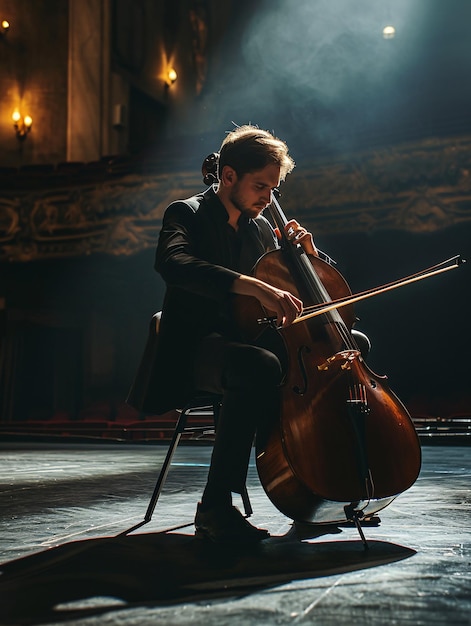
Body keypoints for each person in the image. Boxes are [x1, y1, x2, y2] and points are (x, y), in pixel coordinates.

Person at [127, 124, 359, 543]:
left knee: (344, 348)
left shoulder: (258, 229)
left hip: (247, 341)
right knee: (260, 365)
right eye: (260, 186)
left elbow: (307, 284)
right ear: (228, 176)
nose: (267, 199)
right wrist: (254, 286)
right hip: (194, 348)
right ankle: (214, 507)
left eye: (273, 189)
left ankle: (316, 484)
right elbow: (173, 264)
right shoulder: (186, 214)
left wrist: (309, 254)